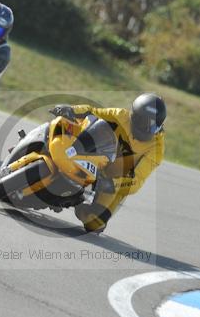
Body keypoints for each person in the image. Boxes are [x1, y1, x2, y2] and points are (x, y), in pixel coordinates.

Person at [50, 93, 166, 233]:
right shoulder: (121, 115)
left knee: (94, 224)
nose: (146, 129)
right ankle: (49, 148)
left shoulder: (157, 149)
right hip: (95, 154)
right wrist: (72, 109)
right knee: (84, 126)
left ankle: (77, 201)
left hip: (111, 180)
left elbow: (138, 179)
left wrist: (112, 184)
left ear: (159, 126)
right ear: (133, 115)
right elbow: (91, 111)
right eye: (141, 122)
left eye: (152, 126)